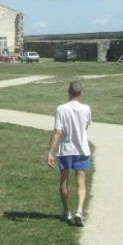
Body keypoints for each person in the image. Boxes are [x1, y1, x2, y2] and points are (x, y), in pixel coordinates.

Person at [46, 81, 92, 226]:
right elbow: (86, 125)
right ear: (81, 93)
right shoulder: (86, 109)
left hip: (66, 150)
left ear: (68, 92)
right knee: (81, 182)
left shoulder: (61, 109)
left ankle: (67, 211)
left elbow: (57, 132)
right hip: (82, 149)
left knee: (64, 181)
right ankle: (79, 211)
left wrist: (50, 152)